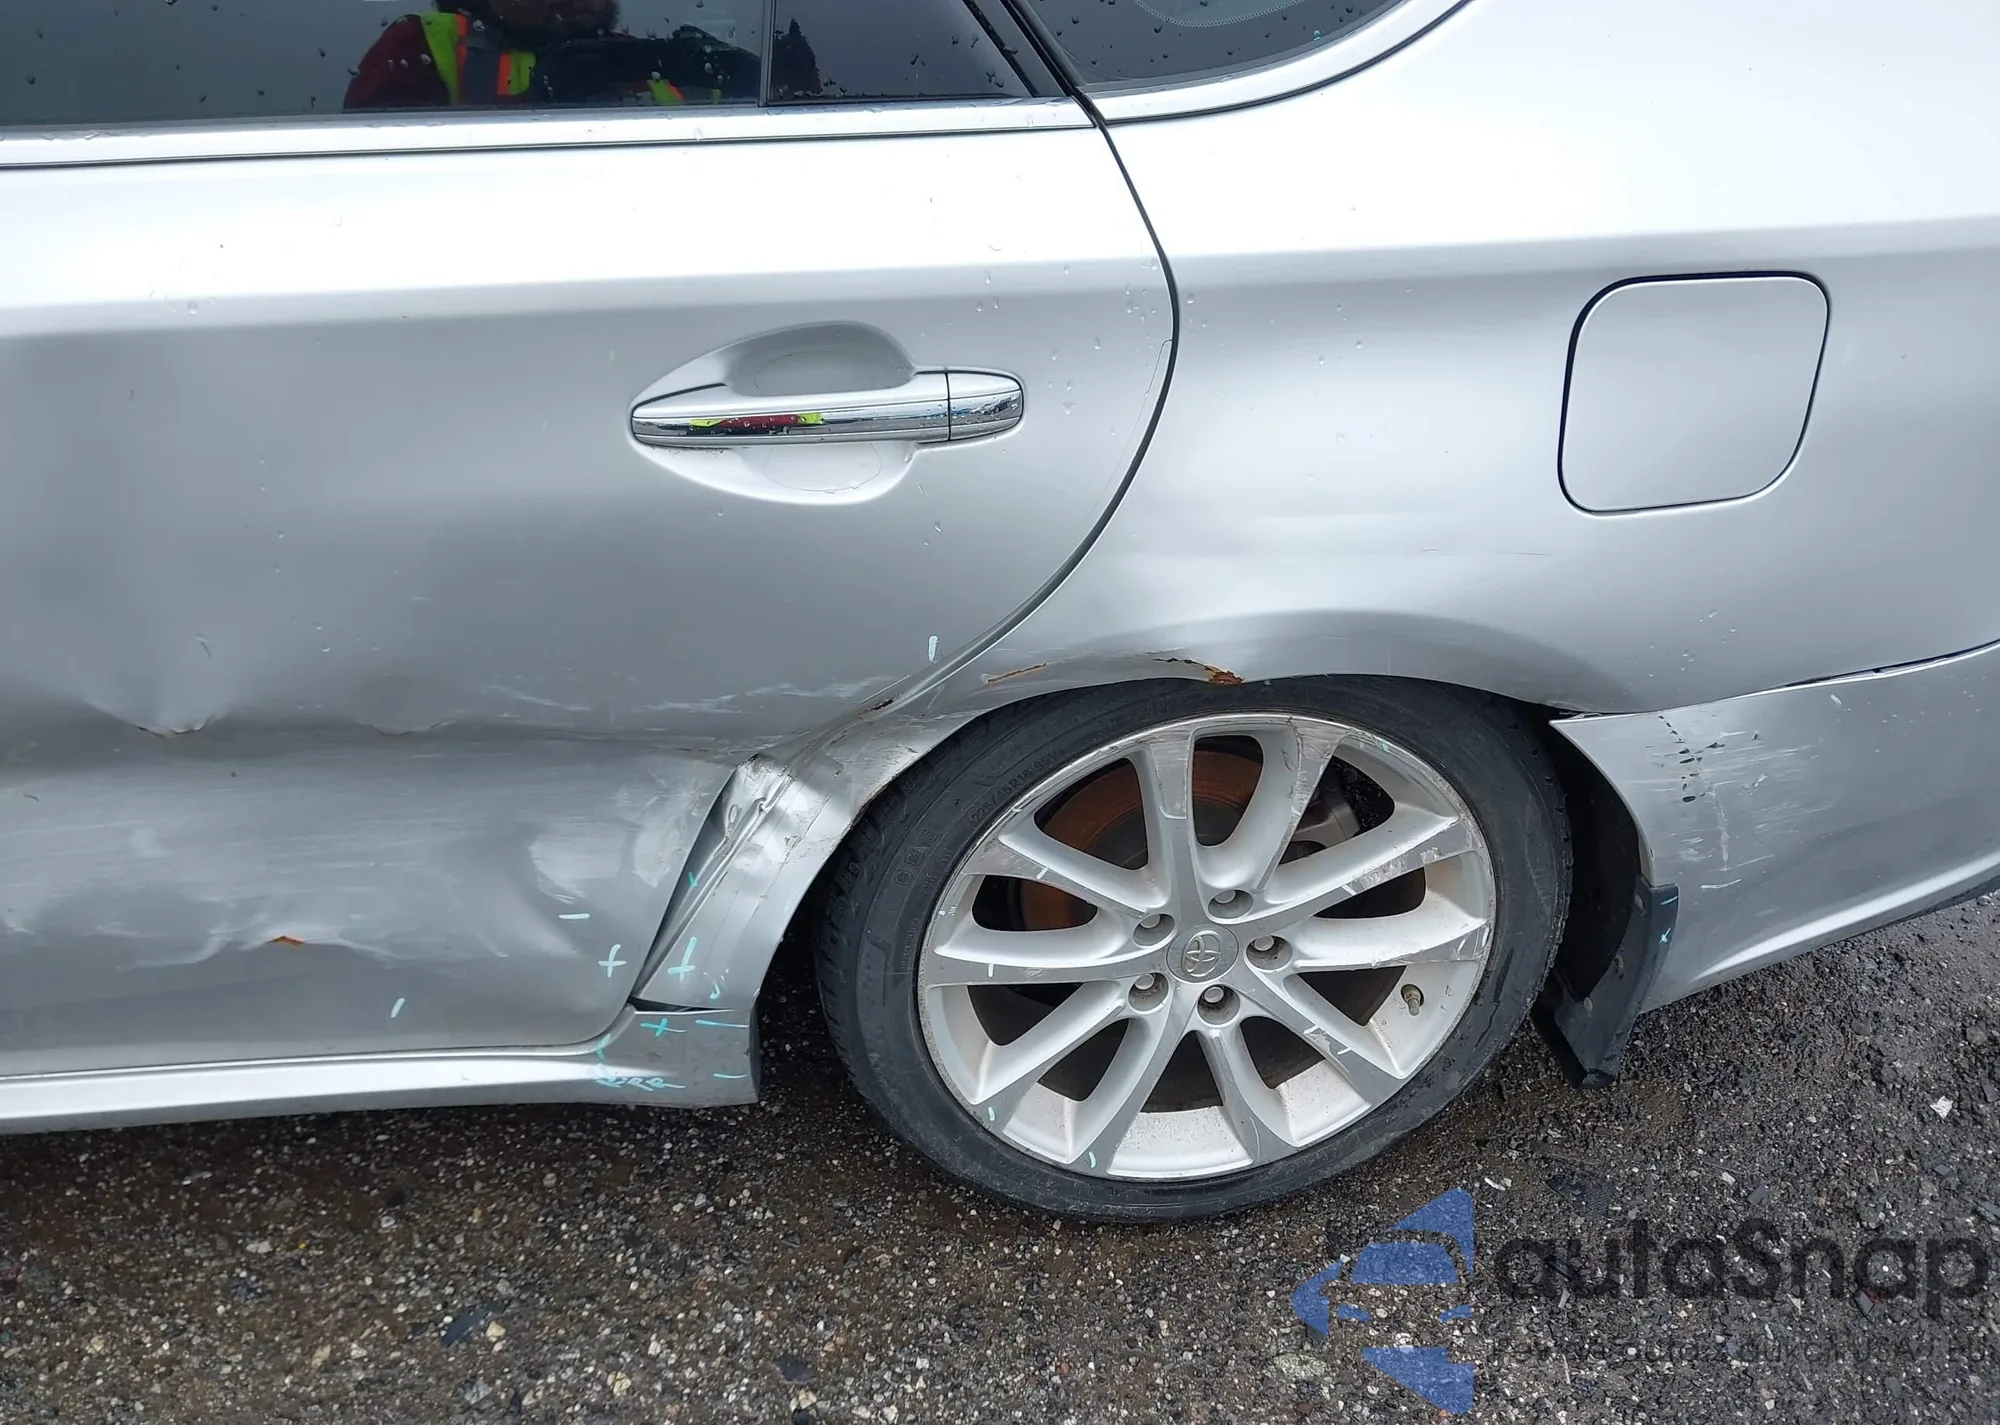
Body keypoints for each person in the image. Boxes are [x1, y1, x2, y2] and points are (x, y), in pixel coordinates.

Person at [345, 0, 768, 111]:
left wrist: (749, 76)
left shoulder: (643, 57)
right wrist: (535, 103)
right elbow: (376, 184)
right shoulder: (423, 44)